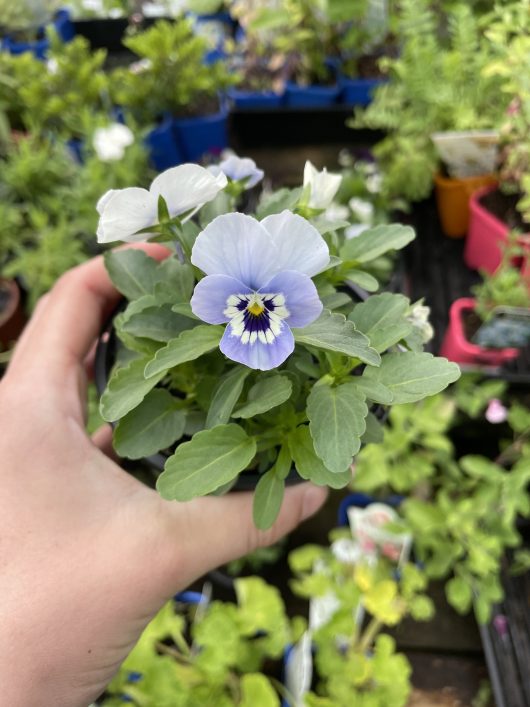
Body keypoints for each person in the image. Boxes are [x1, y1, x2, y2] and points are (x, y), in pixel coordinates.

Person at [0, 244, 327, 707]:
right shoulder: (244, 313)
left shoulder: (255, 310)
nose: (255, 307)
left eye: (260, 305)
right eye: (250, 304)